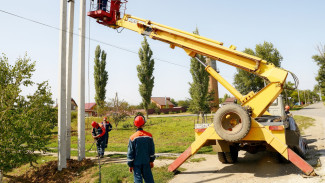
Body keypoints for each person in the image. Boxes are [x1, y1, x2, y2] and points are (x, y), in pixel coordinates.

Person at [127, 115, 155, 183]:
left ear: (134, 124)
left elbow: (130, 153)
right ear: (144, 123)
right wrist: (151, 161)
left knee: (138, 180)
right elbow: (152, 151)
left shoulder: (132, 138)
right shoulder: (149, 136)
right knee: (149, 179)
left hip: (136, 164)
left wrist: (130, 165)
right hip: (146, 162)